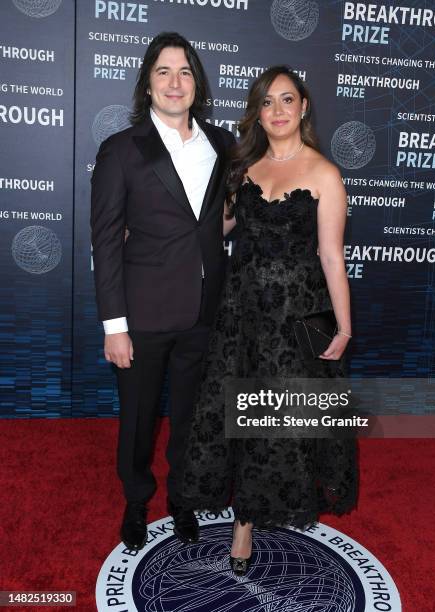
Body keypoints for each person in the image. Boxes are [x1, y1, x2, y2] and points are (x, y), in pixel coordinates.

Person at [181, 65, 358, 575]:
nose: (277, 111)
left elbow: (331, 256)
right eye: (267, 102)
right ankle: (243, 524)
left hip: (299, 313)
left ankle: (252, 515)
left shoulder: (324, 173)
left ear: (303, 107)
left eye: (287, 100)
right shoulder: (244, 167)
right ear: (257, 113)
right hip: (242, 314)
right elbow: (213, 229)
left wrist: (343, 328)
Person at [90, 32, 235, 551]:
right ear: (148, 84)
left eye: (185, 72)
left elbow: (218, 219)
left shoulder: (221, 144)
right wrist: (114, 325)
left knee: (191, 419)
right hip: (143, 316)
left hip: (203, 311)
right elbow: (105, 240)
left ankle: (182, 497)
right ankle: (135, 501)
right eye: (163, 72)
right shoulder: (121, 150)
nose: (175, 82)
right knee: (139, 419)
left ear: (197, 82)